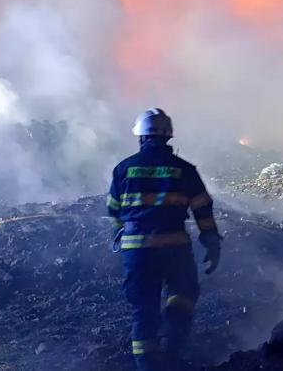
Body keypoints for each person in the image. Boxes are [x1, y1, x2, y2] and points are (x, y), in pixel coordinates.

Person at [108, 108, 222, 371]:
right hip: (174, 248)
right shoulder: (185, 170)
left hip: (137, 252)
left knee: (143, 311)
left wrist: (120, 236)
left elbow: (114, 211)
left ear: (141, 136)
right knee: (183, 294)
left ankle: (147, 365)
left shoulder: (123, 169)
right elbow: (203, 209)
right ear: (168, 136)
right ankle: (172, 345)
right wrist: (212, 243)